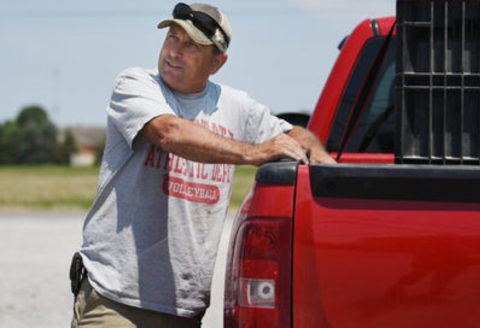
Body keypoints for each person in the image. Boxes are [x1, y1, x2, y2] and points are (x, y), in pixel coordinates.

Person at [71, 2, 335, 327]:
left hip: (185, 310)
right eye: (172, 37)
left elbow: (293, 134)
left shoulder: (233, 104)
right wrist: (253, 153)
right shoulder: (136, 85)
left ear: (217, 63)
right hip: (117, 302)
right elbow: (169, 132)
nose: (174, 51)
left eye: (192, 45)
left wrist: (322, 161)